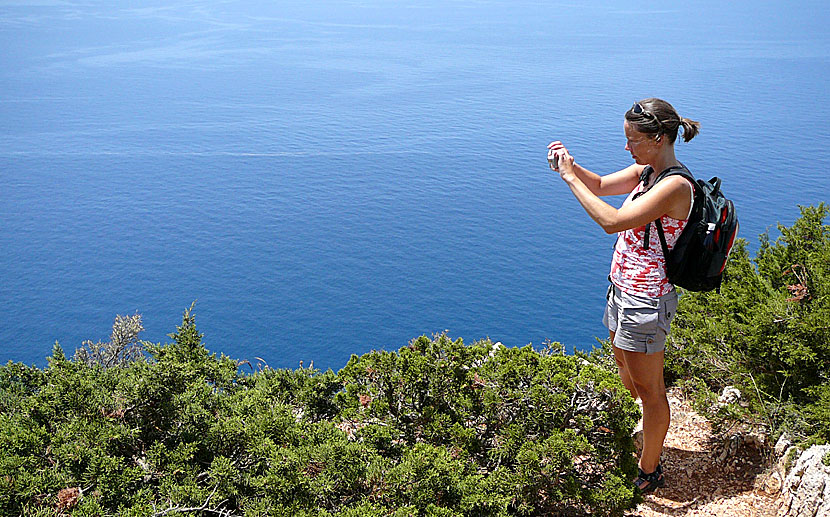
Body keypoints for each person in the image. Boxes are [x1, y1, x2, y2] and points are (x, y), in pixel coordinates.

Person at [547, 98, 701, 493]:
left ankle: (649, 470)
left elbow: (611, 221)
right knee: (627, 377)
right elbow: (598, 185)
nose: (627, 147)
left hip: (646, 301)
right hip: (622, 290)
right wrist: (570, 165)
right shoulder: (647, 173)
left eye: (633, 139)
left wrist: (569, 181)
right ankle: (636, 436)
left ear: (660, 138)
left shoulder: (675, 186)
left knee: (650, 391)